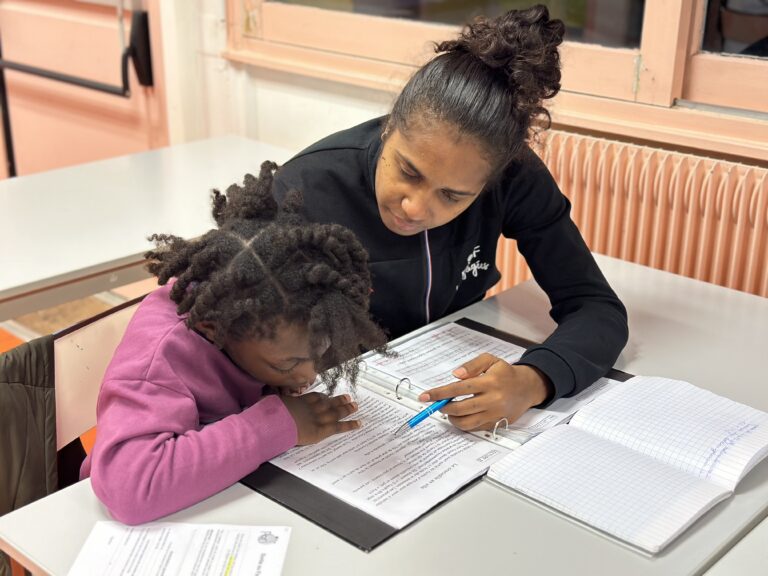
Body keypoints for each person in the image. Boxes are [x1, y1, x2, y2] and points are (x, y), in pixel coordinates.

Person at [272, 5, 629, 432]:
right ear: (390, 128)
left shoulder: (516, 177)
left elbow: (595, 307)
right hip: (341, 412)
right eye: (408, 171)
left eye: (453, 195)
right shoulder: (308, 188)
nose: (416, 209)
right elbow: (244, 340)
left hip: (443, 384)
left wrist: (534, 380)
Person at [80, 161, 387, 525]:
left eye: (317, 355)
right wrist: (277, 423)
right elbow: (130, 488)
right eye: (287, 365)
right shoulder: (163, 358)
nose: (306, 375)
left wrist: (278, 381)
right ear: (213, 329)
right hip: (138, 525)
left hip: (225, 494)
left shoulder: (271, 318)